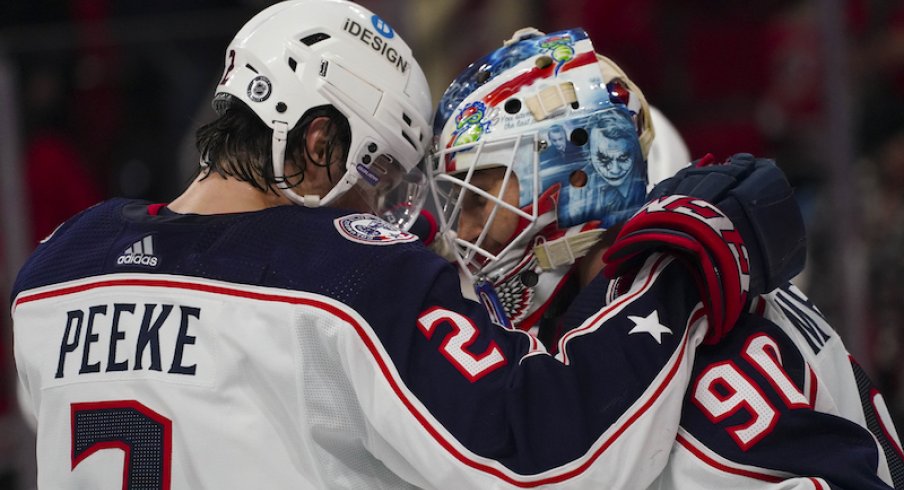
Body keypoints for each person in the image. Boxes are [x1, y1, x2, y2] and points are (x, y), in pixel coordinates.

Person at [11, 3, 806, 489]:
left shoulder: (53, 268)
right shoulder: (344, 273)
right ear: (318, 140)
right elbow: (546, 460)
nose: (386, 210)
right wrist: (678, 274)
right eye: (380, 172)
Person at [428, 27, 903, 488]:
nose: (465, 233)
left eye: (478, 198)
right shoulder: (645, 300)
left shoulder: (706, 337)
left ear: (575, 181)